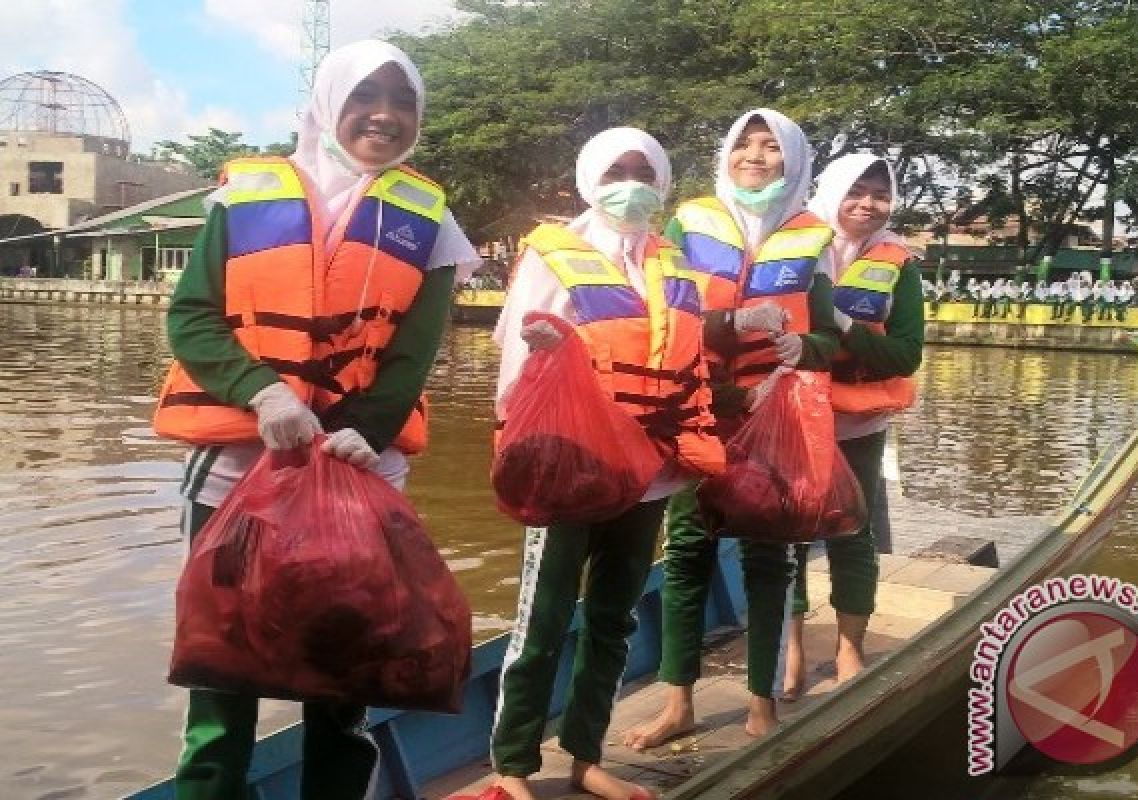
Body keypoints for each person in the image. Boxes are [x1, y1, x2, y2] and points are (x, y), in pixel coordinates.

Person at [153, 40, 480, 800]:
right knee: (220, 677)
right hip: (236, 476)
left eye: (404, 101)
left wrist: (363, 428)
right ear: (330, 103)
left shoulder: (428, 218)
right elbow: (193, 319)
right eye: (368, 95)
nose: (385, 115)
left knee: (346, 678)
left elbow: (412, 353)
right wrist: (263, 393)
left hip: (361, 471)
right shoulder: (244, 196)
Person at [478, 128, 725, 800]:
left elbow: (689, 362)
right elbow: (516, 372)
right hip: (571, 469)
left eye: (644, 170)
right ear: (590, 177)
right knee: (545, 618)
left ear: (664, 181)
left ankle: (587, 757)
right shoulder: (552, 256)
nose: (631, 181)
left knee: (615, 618)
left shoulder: (672, 264)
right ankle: (513, 768)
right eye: (617, 168)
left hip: (650, 472)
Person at [622, 109, 842, 751]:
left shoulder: (812, 236)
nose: (754, 155)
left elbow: (828, 340)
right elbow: (669, 315)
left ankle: (761, 705)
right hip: (701, 408)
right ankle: (678, 704)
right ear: (727, 155)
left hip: (775, 416)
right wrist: (736, 322)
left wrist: (801, 343)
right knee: (687, 551)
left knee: (768, 559)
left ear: (793, 160)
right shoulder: (690, 221)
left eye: (770, 146)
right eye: (744, 144)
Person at [780, 154, 923, 696]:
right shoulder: (793, 244)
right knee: (785, 535)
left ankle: (848, 649)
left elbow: (905, 354)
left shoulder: (899, 262)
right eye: (856, 191)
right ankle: (790, 648)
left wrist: (840, 328)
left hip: (859, 425)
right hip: (793, 417)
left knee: (853, 535)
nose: (867, 204)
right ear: (832, 190)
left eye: (879, 195)